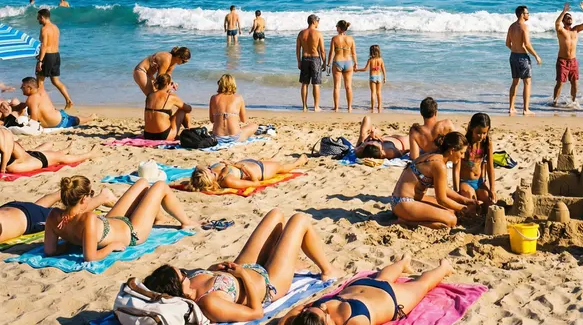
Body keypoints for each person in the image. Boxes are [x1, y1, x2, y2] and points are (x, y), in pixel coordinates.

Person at [144, 209, 336, 323]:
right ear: (178, 290)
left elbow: (209, 275)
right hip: (268, 284)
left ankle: (286, 259)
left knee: (276, 215)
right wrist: (243, 275)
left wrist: (214, 268)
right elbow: (256, 312)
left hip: (244, 267)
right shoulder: (209, 303)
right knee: (299, 220)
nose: (187, 274)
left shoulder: (191, 285)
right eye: (183, 276)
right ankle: (327, 270)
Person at [45, 175, 197, 261]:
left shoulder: (53, 216)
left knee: (143, 183)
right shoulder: (88, 219)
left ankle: (159, 218)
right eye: (91, 194)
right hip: (132, 232)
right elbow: (90, 257)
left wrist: (71, 243)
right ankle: (186, 222)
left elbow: (50, 251)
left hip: (111, 222)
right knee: (160, 186)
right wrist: (111, 246)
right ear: (84, 199)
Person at [284, 255, 453, 325]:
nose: (323, 306)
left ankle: (404, 262)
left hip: (375, 292)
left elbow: (291, 315)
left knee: (388, 279)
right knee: (421, 285)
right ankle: (443, 267)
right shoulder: (354, 322)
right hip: (385, 295)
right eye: (325, 311)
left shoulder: (311, 313)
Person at [389, 132, 475, 229]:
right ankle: (405, 221)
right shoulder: (439, 165)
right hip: (403, 202)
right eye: (461, 153)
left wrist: (465, 200)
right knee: (451, 220)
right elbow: (441, 199)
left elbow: (444, 189)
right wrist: (463, 208)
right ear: (452, 150)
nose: (462, 157)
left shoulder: (435, 155)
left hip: (401, 200)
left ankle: (408, 217)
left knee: (451, 210)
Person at [0, 125, 95, 174]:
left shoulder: (4, 133)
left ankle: (71, 150)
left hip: (23, 159)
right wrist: (3, 169)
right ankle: (87, 154)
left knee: (51, 149)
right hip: (22, 161)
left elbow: (6, 150)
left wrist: (3, 168)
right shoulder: (4, 132)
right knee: (60, 157)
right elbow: (5, 150)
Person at [186, 155, 308, 192]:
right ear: (211, 179)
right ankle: (299, 161)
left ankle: (275, 159)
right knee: (281, 167)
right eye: (210, 171)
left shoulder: (212, 172)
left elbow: (197, 166)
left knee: (274, 161)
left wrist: (199, 173)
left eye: (208, 168)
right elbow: (255, 183)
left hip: (248, 162)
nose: (210, 168)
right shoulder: (228, 180)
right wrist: (242, 167)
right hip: (260, 171)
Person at [506, 5, 542, 116]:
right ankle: (526, 109)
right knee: (527, 82)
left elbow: (507, 43)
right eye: (527, 13)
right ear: (522, 14)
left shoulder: (511, 26)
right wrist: (536, 55)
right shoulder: (524, 27)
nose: (528, 15)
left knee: (515, 82)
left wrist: (516, 50)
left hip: (513, 56)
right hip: (522, 58)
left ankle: (511, 108)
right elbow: (527, 44)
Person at [553, 2, 583, 107]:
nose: (570, 19)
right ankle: (554, 102)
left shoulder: (575, 30)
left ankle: (573, 102)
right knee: (560, 83)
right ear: (564, 20)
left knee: (574, 83)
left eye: (570, 17)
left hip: (573, 61)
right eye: (567, 17)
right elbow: (557, 23)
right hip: (562, 61)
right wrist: (564, 11)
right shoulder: (561, 31)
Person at [454, 113, 495, 206]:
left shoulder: (487, 143)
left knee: (489, 204)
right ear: (471, 128)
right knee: (472, 204)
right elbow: (456, 169)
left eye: (484, 133)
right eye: (478, 133)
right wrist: (456, 190)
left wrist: (492, 189)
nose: (481, 136)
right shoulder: (464, 143)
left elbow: (490, 167)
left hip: (480, 182)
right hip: (465, 182)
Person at [18, 76, 90, 128]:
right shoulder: (39, 92)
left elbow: (34, 120)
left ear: (29, 88)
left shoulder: (31, 99)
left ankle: (92, 117)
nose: (21, 88)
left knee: (77, 120)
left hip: (60, 121)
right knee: (74, 118)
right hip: (57, 117)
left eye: (23, 87)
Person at [35, 8, 72, 109]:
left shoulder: (44, 29)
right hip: (56, 56)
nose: (38, 20)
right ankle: (68, 100)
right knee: (55, 81)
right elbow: (52, 43)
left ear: (42, 17)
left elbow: (45, 45)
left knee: (40, 82)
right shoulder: (55, 27)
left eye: (38, 18)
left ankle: (41, 105)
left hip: (47, 56)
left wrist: (40, 61)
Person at [209, 74, 258, 142]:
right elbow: (243, 120)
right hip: (234, 137)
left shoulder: (214, 98)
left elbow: (212, 120)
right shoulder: (239, 98)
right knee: (254, 126)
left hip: (217, 137)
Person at [143, 74, 192, 140]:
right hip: (163, 136)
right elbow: (188, 109)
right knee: (182, 110)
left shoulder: (149, 95)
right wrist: (175, 95)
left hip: (147, 135)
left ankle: (190, 132)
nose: (172, 85)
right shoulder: (170, 97)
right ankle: (191, 132)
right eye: (171, 83)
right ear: (167, 84)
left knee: (163, 114)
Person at [296, 15, 325, 112]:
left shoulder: (301, 33)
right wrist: (324, 62)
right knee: (316, 84)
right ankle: (316, 107)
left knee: (305, 83)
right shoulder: (318, 34)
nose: (318, 23)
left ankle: (304, 106)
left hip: (305, 58)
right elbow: (322, 50)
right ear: (313, 22)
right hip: (315, 59)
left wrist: (299, 61)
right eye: (318, 21)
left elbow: (298, 49)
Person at [327, 20, 356, 113]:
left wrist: (328, 63)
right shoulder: (351, 39)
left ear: (339, 28)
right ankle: (349, 107)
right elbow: (354, 53)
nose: (336, 28)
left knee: (336, 87)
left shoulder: (334, 38)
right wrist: (356, 63)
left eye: (336, 26)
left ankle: (336, 107)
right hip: (348, 62)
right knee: (348, 87)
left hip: (337, 62)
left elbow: (331, 53)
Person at [355, 44, 386, 113]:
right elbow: (383, 68)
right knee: (379, 92)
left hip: (373, 77)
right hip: (379, 76)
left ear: (371, 52)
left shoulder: (370, 60)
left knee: (373, 92)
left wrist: (357, 70)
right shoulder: (380, 59)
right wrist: (385, 77)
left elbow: (365, 69)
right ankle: (379, 106)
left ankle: (372, 107)